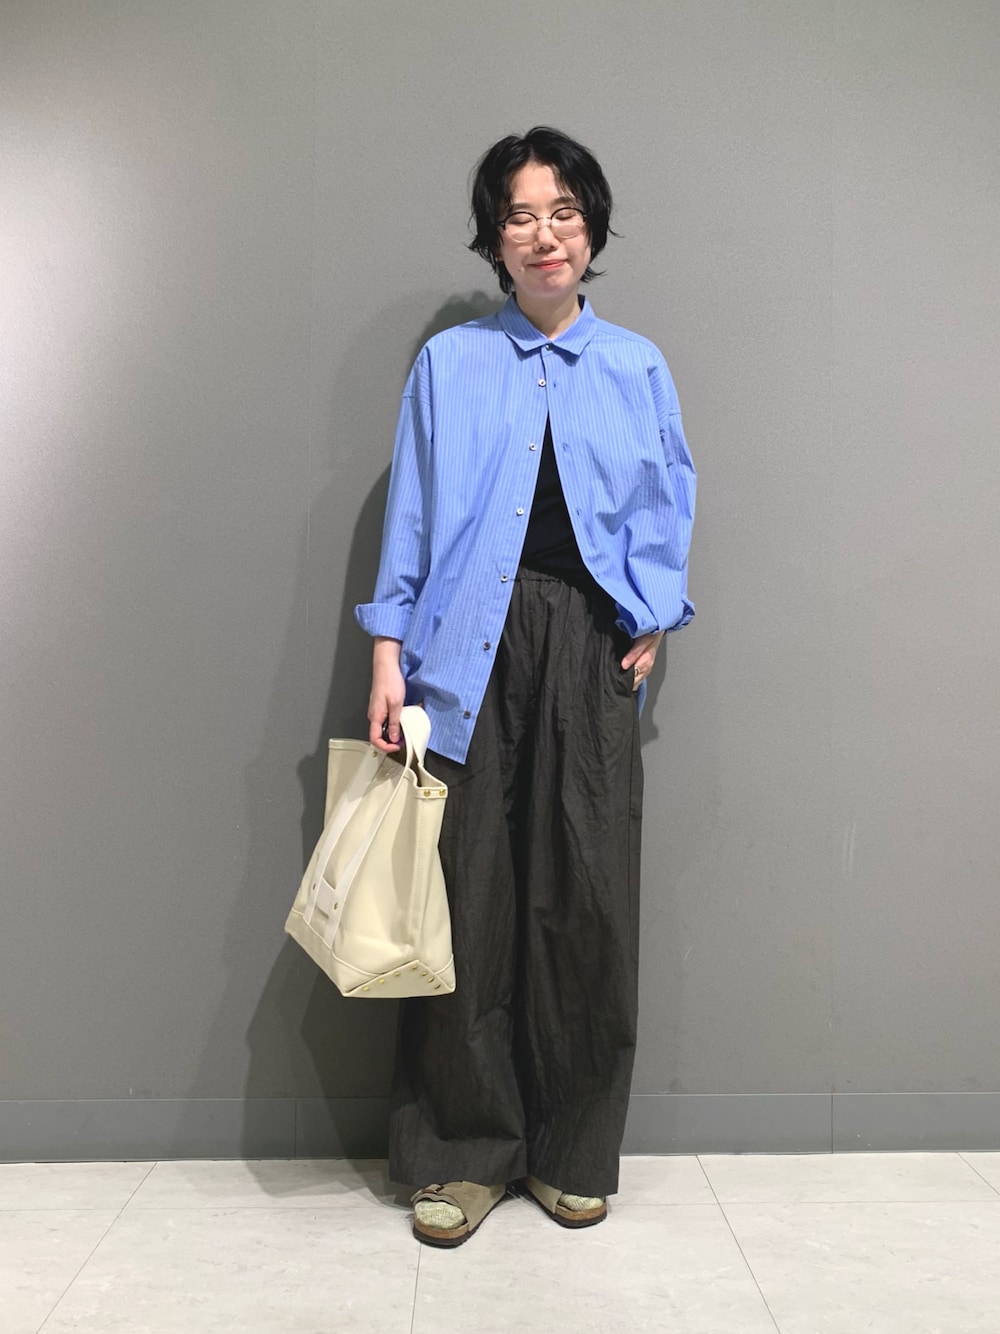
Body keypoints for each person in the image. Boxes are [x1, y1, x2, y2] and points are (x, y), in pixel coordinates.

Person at [355, 126, 695, 1247]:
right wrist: (387, 650)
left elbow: (668, 494)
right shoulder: (449, 364)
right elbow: (411, 511)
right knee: (467, 896)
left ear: (590, 229)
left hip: (589, 646)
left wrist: (654, 606)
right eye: (519, 215)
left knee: (586, 899)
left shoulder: (636, 365)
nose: (544, 235)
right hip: (462, 648)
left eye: (564, 212)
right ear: (493, 239)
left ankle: (568, 1149)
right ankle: (462, 1154)